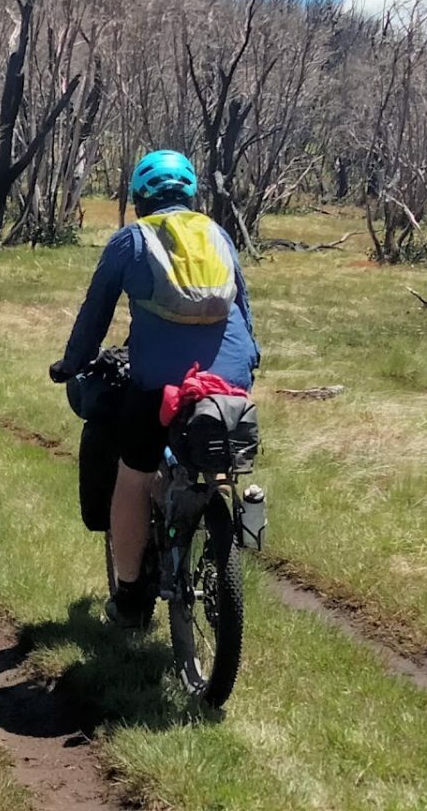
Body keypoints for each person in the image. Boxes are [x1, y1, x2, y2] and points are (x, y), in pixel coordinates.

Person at [49, 150, 258, 629]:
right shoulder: (218, 235)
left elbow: (95, 314)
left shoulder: (131, 242)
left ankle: (128, 597)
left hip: (159, 385)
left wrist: (71, 364)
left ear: (140, 199)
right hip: (229, 382)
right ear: (191, 195)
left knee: (134, 473)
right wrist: (249, 366)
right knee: (218, 461)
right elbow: (243, 308)